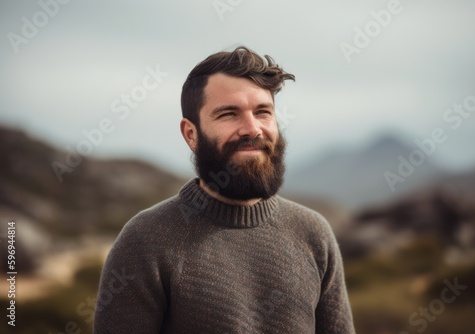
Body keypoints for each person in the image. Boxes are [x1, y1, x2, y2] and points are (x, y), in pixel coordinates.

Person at [94, 46, 356, 334]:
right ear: (191, 134)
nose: (252, 129)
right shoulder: (145, 241)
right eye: (229, 114)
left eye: (263, 112)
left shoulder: (313, 233)